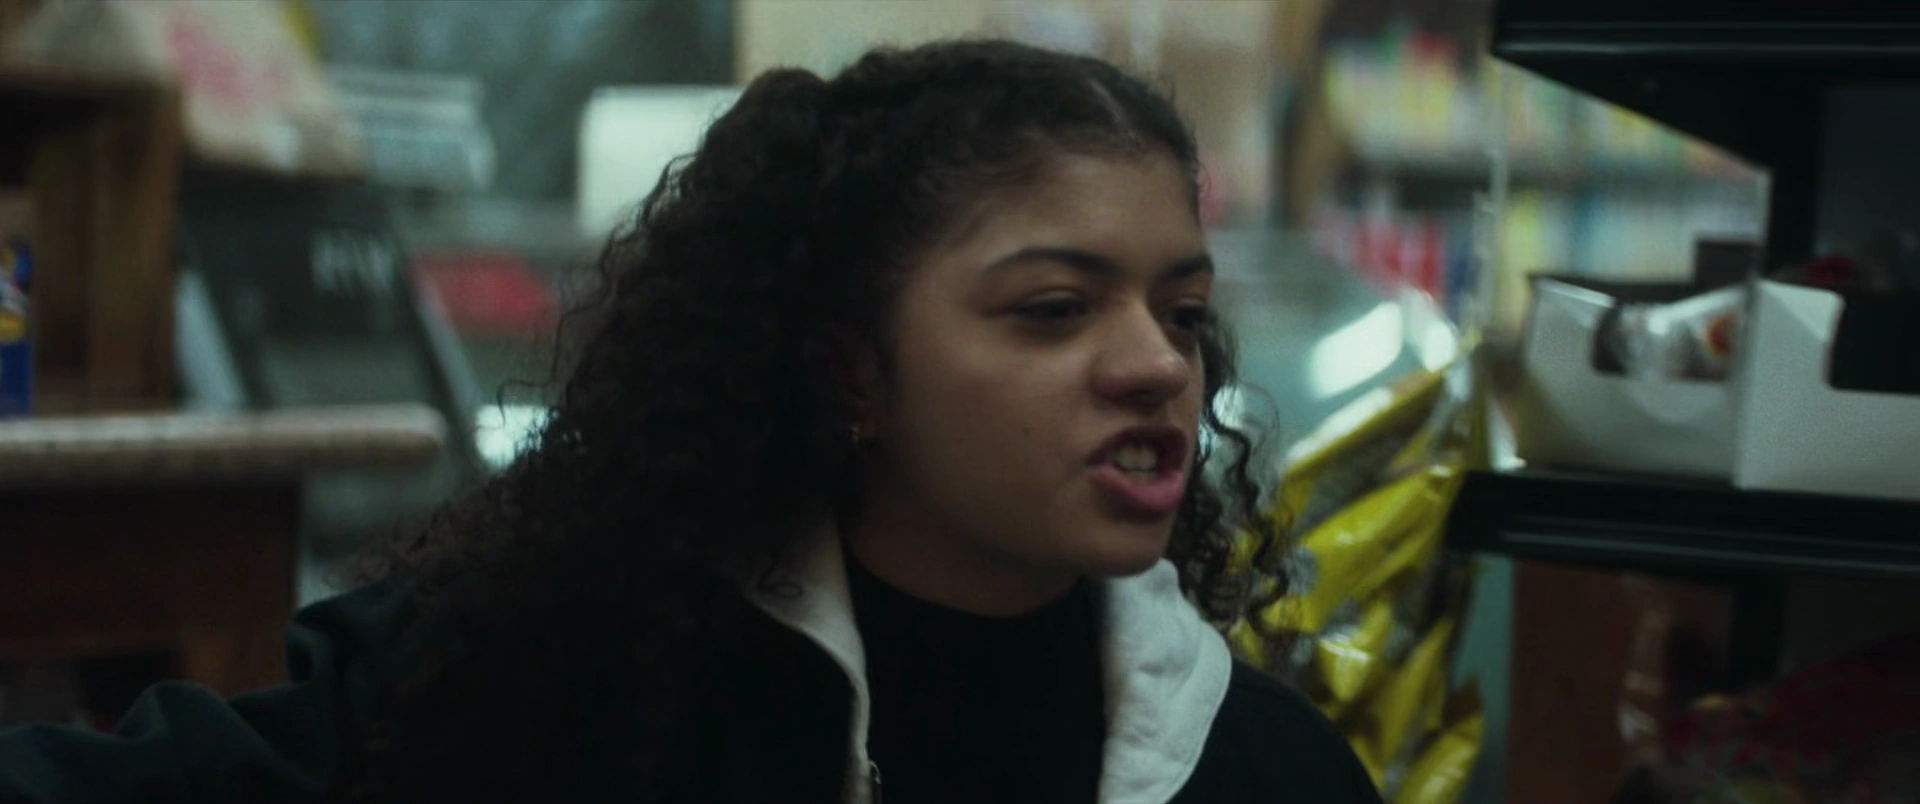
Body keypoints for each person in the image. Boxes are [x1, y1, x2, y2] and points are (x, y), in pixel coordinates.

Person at [0, 40, 1381, 804]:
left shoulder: (1265, 770)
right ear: (848, 370)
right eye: (1053, 310)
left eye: (1182, 312)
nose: (1154, 366)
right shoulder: (545, 682)